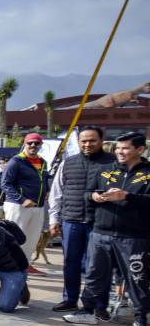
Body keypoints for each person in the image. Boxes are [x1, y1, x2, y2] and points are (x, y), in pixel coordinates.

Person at [63, 132, 150, 326]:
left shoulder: (148, 173)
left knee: (137, 278)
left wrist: (127, 196)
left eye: (125, 148)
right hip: (100, 232)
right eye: (118, 148)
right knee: (94, 274)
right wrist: (93, 196)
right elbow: (87, 193)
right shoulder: (105, 170)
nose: (120, 152)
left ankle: (140, 320)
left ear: (140, 150)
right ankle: (87, 311)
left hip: (134, 236)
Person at [48, 126, 115, 312]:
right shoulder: (68, 163)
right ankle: (70, 299)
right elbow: (56, 193)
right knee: (71, 263)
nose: (87, 144)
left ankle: (99, 304)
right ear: (78, 142)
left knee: (99, 266)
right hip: (71, 220)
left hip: (100, 222)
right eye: (83, 141)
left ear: (101, 140)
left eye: (92, 140)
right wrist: (54, 219)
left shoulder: (113, 163)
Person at [1, 133, 51, 275]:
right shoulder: (16, 161)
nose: (33, 145)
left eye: (37, 143)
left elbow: (43, 181)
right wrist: (21, 199)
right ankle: (8, 264)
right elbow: (5, 184)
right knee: (15, 236)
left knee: (32, 238)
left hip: (38, 206)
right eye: (30, 143)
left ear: (41, 145)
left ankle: (25, 264)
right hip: (18, 206)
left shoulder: (43, 162)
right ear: (25, 144)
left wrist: (46, 191)